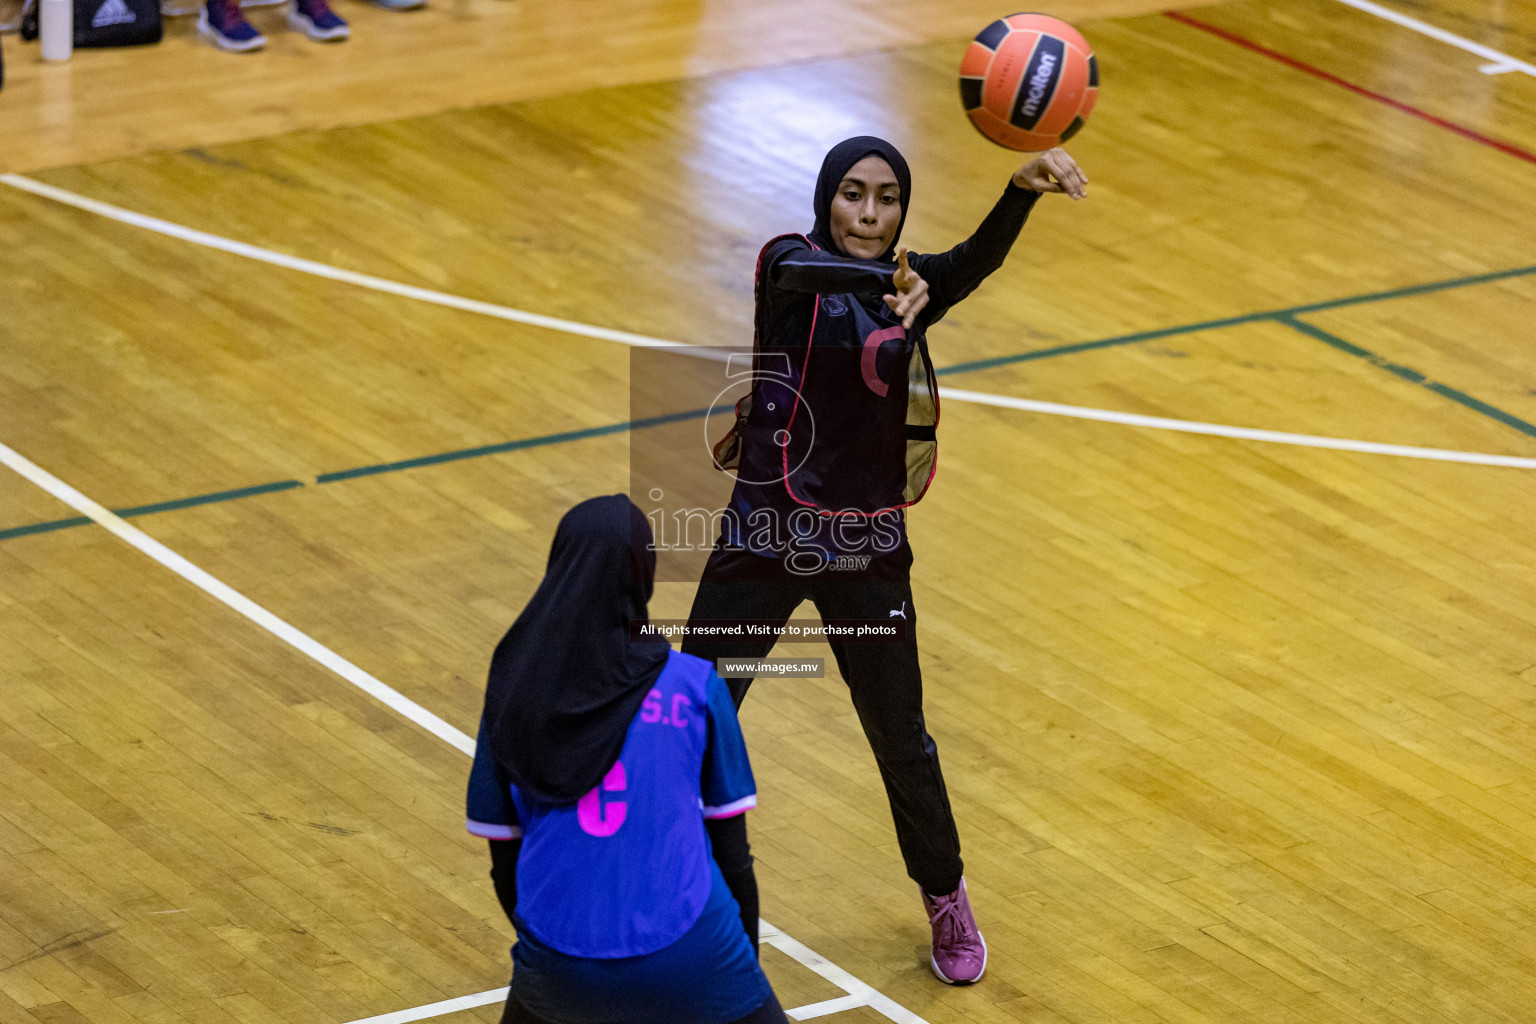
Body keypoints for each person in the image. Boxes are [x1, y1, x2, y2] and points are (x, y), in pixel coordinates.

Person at [682, 136, 1087, 986]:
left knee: (902, 740)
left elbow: (969, 263)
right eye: (854, 195)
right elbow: (822, 274)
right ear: (827, 198)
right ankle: (655, 890)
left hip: (864, 552)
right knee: (691, 723)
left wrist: (1019, 192)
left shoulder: (913, 291)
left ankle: (946, 899)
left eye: (887, 198)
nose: (868, 214)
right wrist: (905, 282)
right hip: (764, 538)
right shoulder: (787, 268)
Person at [466, 495, 788, 1024]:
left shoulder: (513, 691)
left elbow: (504, 867)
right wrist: (737, 978)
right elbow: (735, 859)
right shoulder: (694, 686)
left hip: (558, 955)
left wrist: (554, 950)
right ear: (645, 574)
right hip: (693, 953)